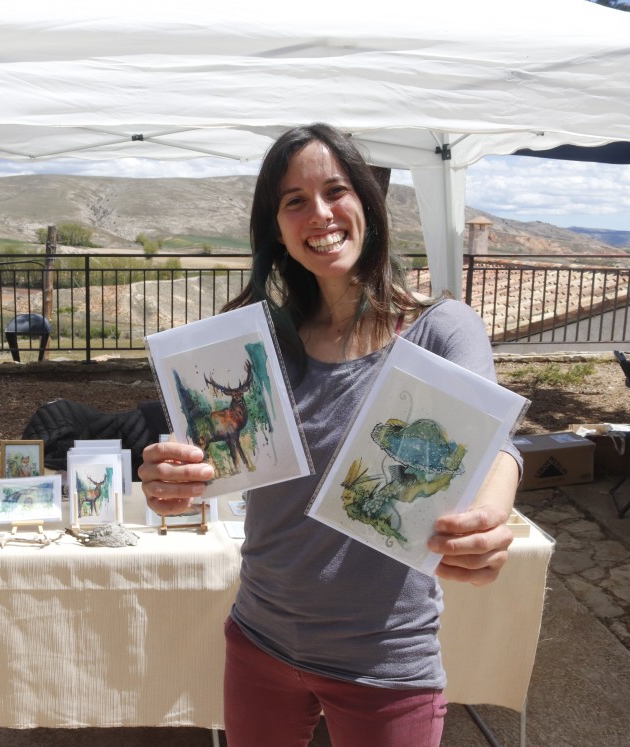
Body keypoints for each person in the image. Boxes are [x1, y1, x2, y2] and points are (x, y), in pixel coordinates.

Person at [138, 123, 522, 746]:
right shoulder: (260, 348)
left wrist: (486, 516)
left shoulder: (440, 329)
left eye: (335, 190)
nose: (319, 213)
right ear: (277, 229)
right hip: (258, 639)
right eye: (294, 201)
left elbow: (498, 444)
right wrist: (167, 479)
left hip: (385, 663)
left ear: (367, 204)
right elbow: (196, 462)